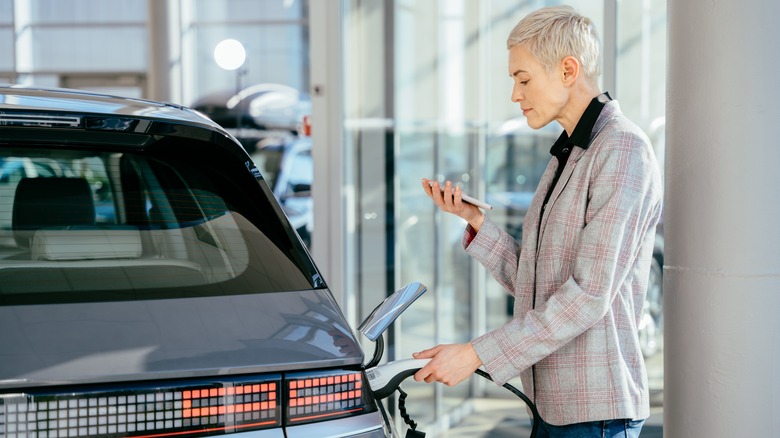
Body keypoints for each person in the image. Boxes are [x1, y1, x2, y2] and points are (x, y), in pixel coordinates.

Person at [414, 5, 662, 437]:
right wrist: (475, 220)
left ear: (568, 69)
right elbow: (537, 280)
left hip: (594, 413)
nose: (515, 94)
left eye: (523, 79)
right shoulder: (568, 152)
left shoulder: (621, 150)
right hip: (551, 406)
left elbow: (588, 295)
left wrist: (476, 354)